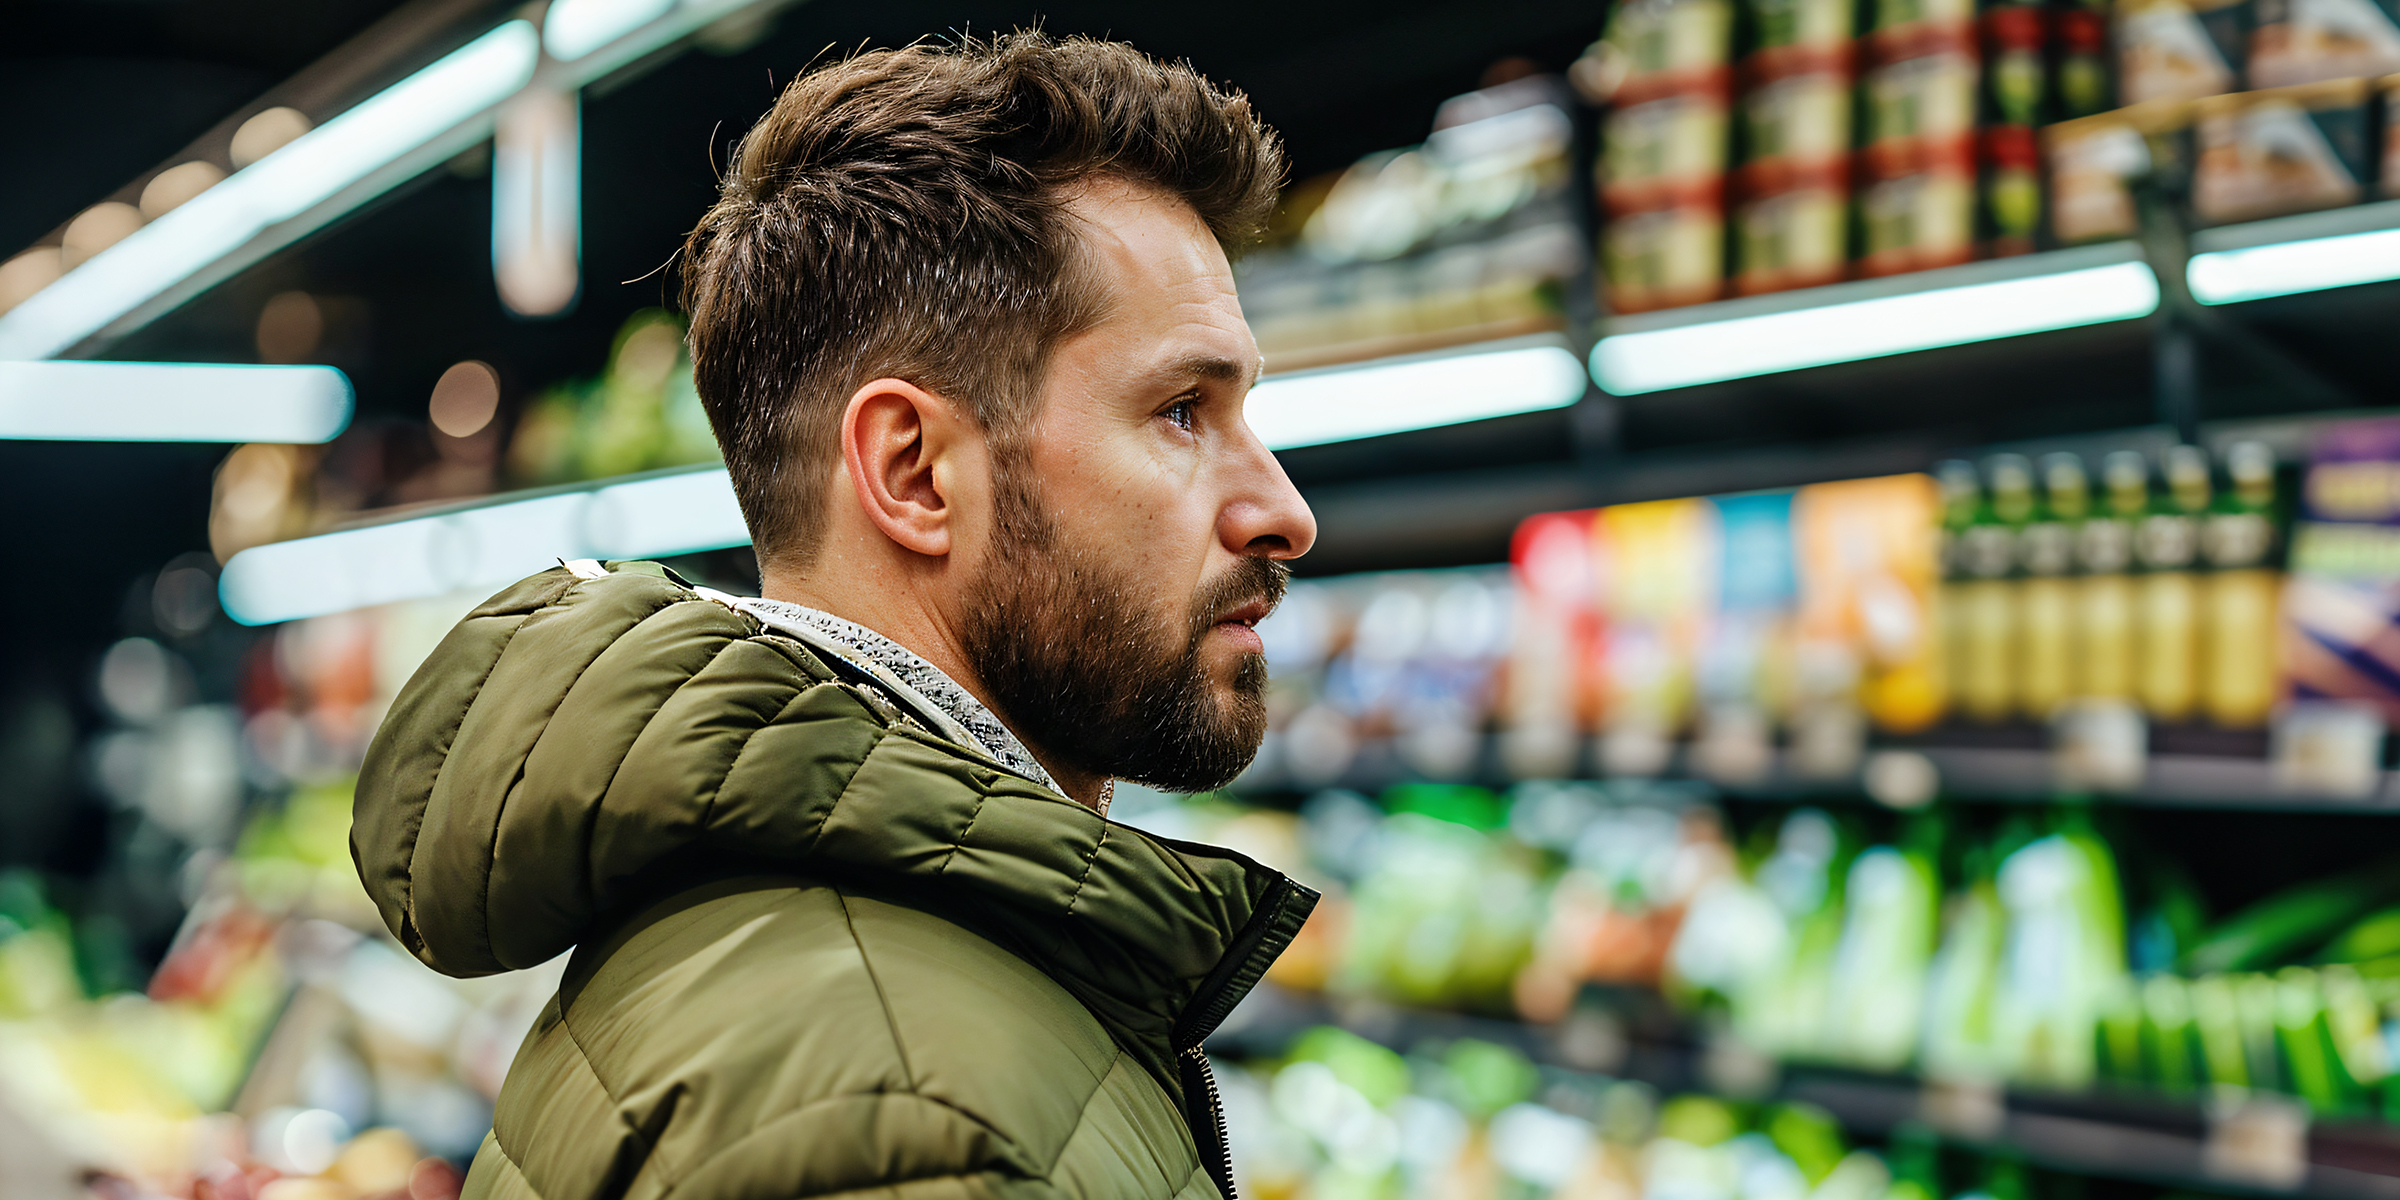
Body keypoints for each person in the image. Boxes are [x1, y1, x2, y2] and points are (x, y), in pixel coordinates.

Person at [350, 29, 1321, 1200]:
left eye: (1244, 411)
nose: (1285, 511)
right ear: (913, 474)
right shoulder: (913, 1114)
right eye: (1180, 410)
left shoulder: (788, 961)